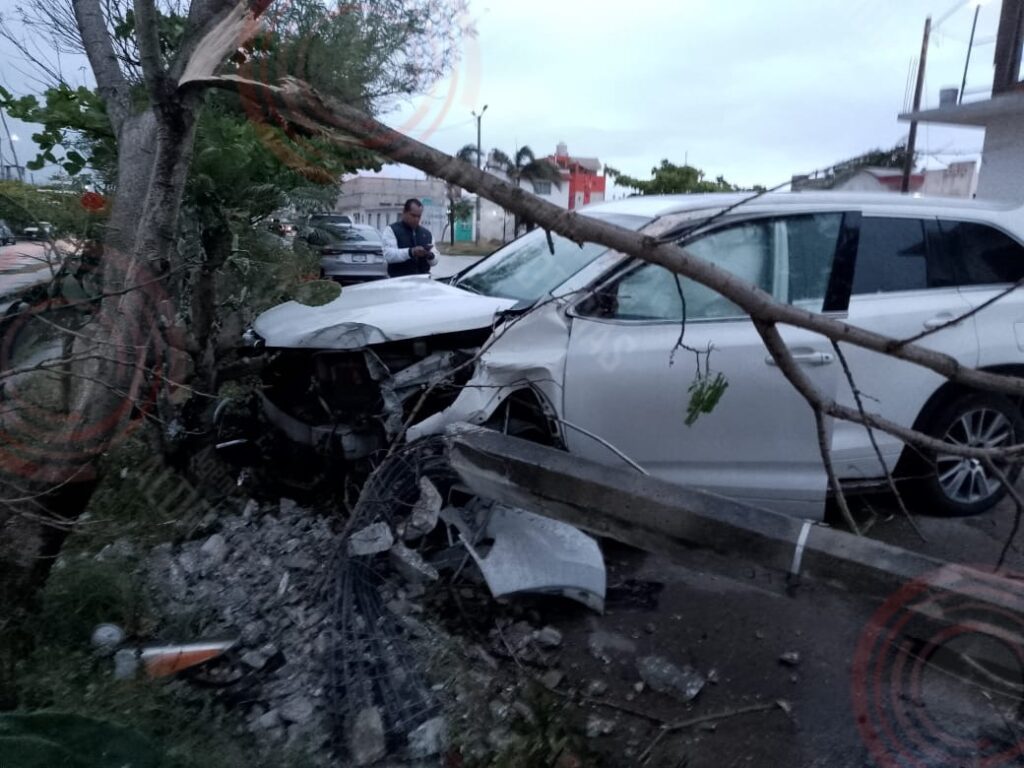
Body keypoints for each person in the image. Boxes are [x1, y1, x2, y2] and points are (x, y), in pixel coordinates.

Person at [381, 198, 439, 278]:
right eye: (413, 215)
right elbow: (389, 255)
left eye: (419, 216)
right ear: (404, 212)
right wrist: (410, 252)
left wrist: (430, 255)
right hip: (399, 280)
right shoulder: (392, 230)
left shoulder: (427, 234)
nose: (416, 219)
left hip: (423, 282)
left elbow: (435, 260)